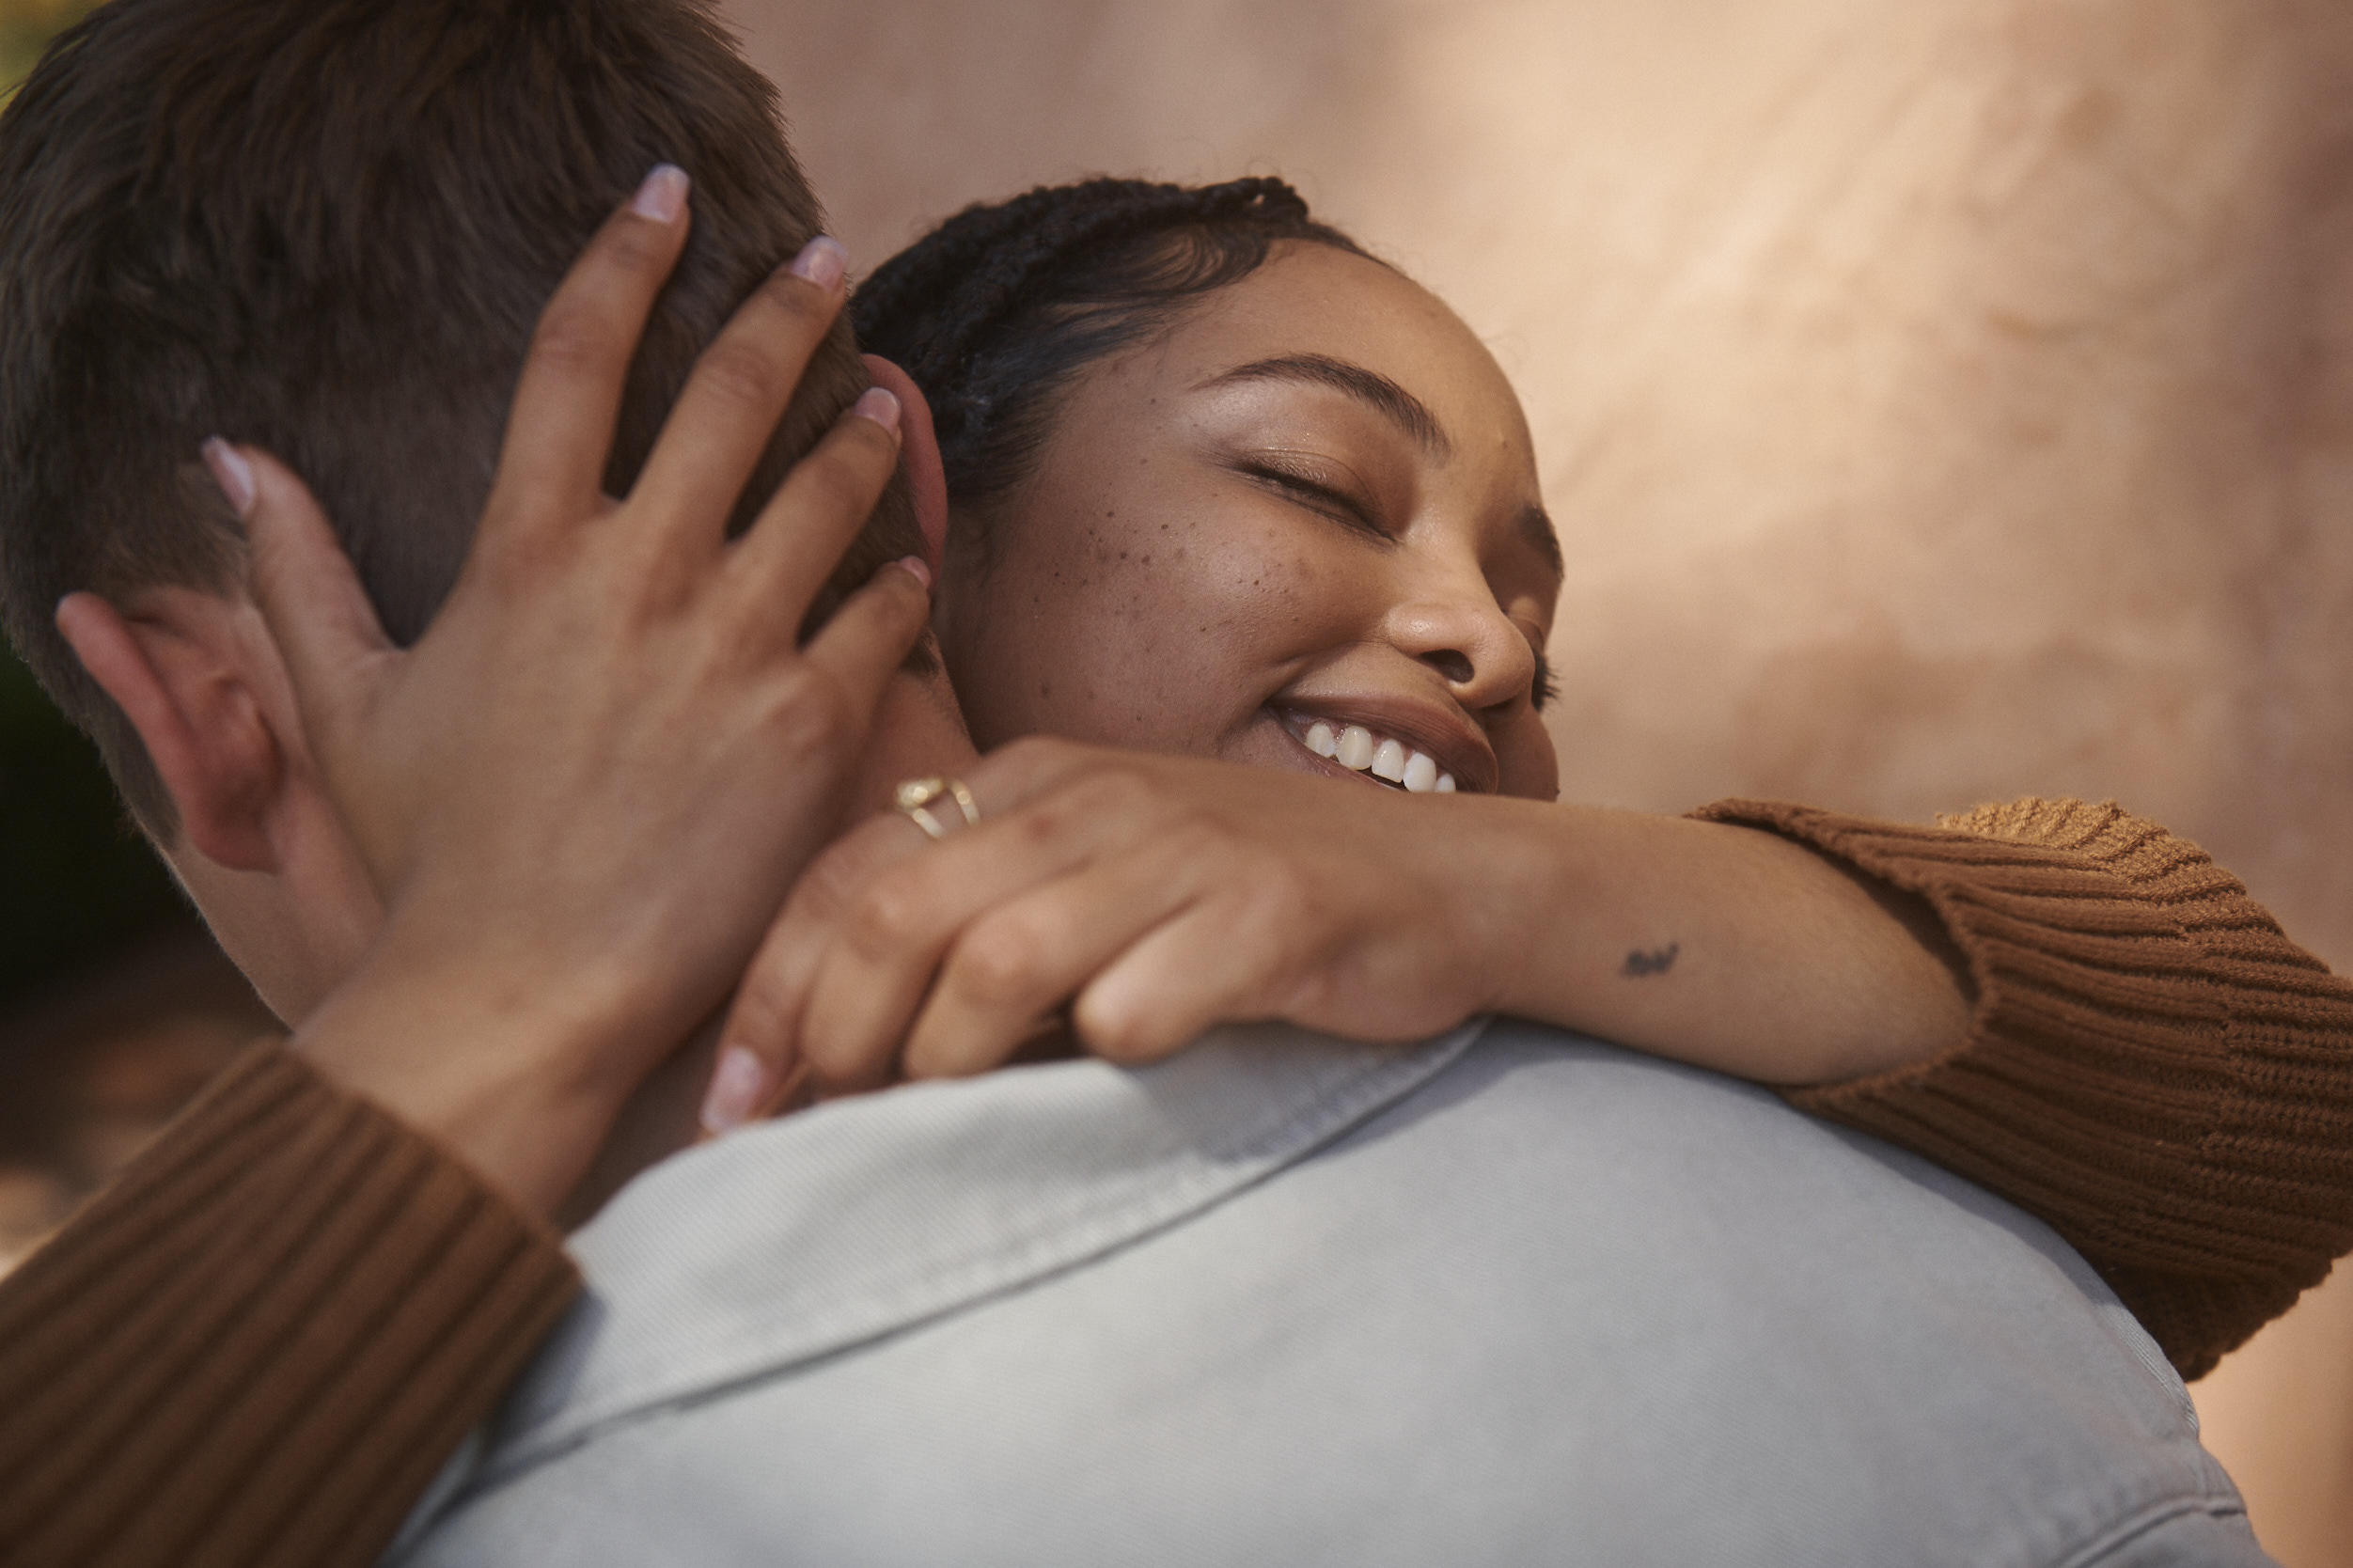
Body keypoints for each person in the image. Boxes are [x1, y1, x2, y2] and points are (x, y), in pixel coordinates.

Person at [0, 2, 2330, 1563]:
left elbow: (2267, 1076)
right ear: (921, 519)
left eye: (1542, 613)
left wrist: (1497, 899)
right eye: (1318, 480)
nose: (1488, 640)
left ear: (197, 722)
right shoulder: (1902, 1240)